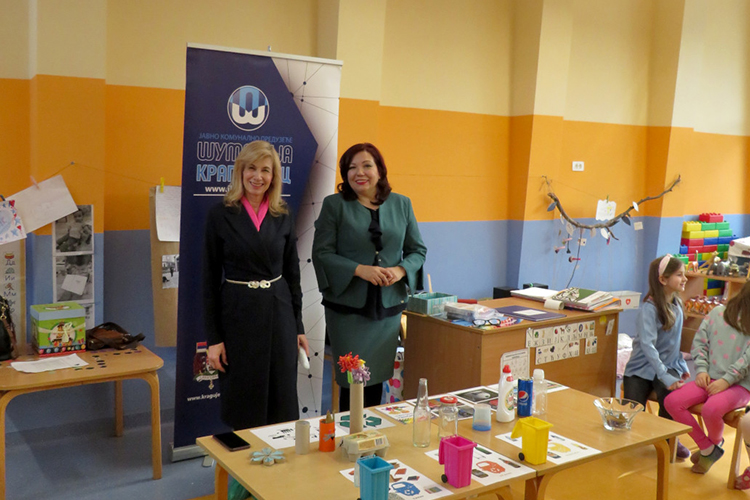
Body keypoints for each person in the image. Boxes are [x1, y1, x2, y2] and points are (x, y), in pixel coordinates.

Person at [203, 140, 309, 431]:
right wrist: (214, 339)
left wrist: (298, 326)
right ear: (241, 171)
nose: (258, 176)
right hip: (237, 316)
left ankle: (280, 456)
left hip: (279, 314)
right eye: (252, 168)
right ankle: (245, 459)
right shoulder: (220, 214)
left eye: (265, 170)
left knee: (281, 396)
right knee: (243, 398)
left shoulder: (282, 214)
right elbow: (208, 280)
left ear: (274, 176)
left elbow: (293, 274)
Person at [312, 143, 427, 410]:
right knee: (353, 380)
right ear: (345, 173)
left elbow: (417, 250)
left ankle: (370, 431)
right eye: (352, 168)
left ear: (380, 170)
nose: (359, 173)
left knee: (376, 379)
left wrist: (400, 270)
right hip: (347, 310)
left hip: (387, 309)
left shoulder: (402, 204)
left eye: (367, 166)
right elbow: (321, 253)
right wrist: (358, 269)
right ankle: (350, 431)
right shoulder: (334, 205)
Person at [665, 280, 750, 474]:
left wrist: (726, 380)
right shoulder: (717, 313)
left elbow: (747, 360)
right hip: (710, 377)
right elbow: (700, 343)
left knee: (711, 409)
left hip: (741, 385)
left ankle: (712, 446)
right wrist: (702, 370)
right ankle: (708, 448)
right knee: (672, 401)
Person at [623, 254, 691, 458]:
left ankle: (668, 439)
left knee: (670, 399)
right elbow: (648, 346)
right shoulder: (649, 309)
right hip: (641, 368)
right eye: (679, 274)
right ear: (663, 279)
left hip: (667, 366)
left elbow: (674, 344)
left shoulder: (677, 305)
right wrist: (665, 375)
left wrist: (680, 366)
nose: (685, 278)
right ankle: (635, 438)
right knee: (632, 409)